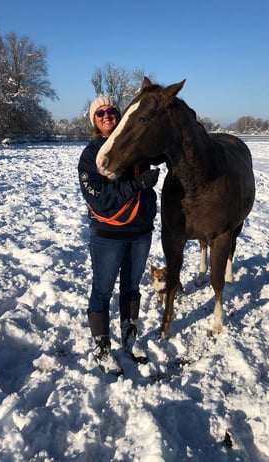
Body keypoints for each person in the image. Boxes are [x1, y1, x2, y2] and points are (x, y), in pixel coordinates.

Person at [77, 95, 160, 373]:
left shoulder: (139, 147)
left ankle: (129, 337)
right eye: (100, 113)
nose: (107, 116)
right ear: (94, 120)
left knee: (132, 288)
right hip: (107, 236)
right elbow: (99, 198)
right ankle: (101, 346)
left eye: (112, 111)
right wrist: (137, 185)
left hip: (140, 232)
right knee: (102, 290)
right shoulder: (91, 155)